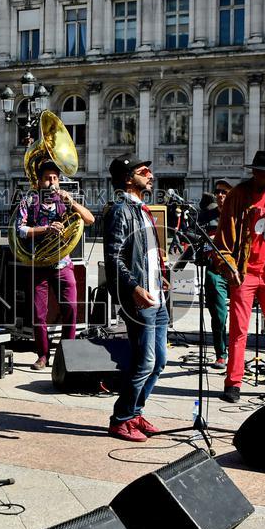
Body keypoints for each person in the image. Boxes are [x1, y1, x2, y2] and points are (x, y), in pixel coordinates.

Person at [212, 150, 265, 404]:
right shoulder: (239, 195)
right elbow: (223, 239)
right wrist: (230, 267)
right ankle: (233, 383)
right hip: (245, 272)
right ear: (256, 173)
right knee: (239, 329)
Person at [104, 153, 168, 443]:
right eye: (145, 171)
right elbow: (114, 256)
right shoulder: (120, 210)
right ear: (130, 178)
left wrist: (159, 274)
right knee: (144, 362)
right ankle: (120, 419)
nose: (150, 175)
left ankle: (136, 412)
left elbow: (144, 252)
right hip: (140, 297)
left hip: (156, 294)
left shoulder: (142, 209)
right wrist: (133, 287)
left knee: (159, 361)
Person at [14, 161, 95, 369]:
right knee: (38, 314)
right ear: (40, 181)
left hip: (62, 263)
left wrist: (71, 202)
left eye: (55, 178)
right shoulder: (29, 200)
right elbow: (20, 230)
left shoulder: (64, 200)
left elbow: (90, 220)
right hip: (39, 264)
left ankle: (66, 353)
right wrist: (46, 229)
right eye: (48, 178)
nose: (52, 182)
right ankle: (42, 355)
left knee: (70, 309)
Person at [199, 179, 232, 370]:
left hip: (237, 270)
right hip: (215, 270)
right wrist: (206, 241)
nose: (220, 195)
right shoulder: (206, 216)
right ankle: (221, 354)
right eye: (218, 192)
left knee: (239, 316)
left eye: (225, 192)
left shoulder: (240, 215)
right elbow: (191, 236)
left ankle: (236, 355)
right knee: (219, 315)